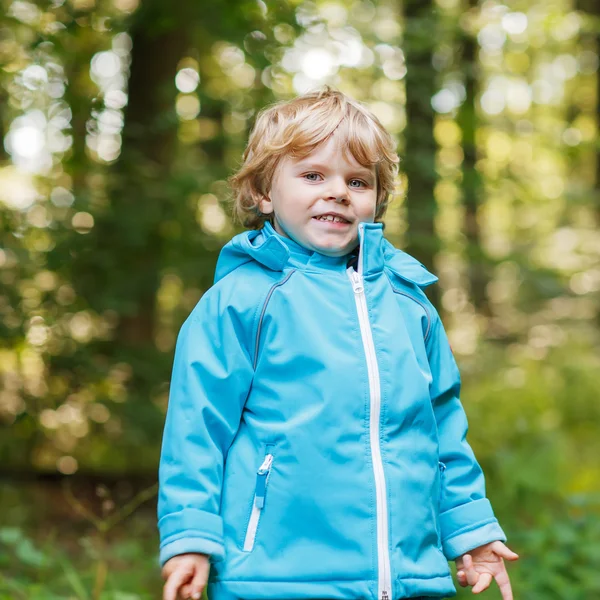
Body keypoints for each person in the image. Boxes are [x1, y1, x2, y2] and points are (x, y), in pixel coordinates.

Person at [157, 87, 519, 600]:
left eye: (358, 181)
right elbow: (197, 429)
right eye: (312, 175)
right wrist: (191, 536)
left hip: (406, 575)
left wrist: (471, 528)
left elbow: (441, 429)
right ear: (264, 192)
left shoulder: (408, 303)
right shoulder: (240, 301)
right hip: (273, 575)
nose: (339, 192)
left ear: (377, 198)